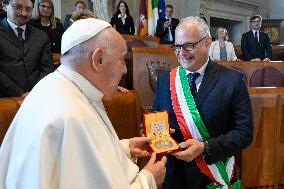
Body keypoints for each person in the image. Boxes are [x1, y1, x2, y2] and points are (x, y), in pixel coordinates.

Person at [0, 18, 167, 189]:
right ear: (98, 60)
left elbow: (77, 160)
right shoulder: (71, 114)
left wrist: (123, 148)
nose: (125, 69)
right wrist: (150, 179)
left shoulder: (56, 85)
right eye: (122, 59)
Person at [152, 16, 253, 189]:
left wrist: (205, 147)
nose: (181, 53)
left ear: (207, 42)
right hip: (175, 177)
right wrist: (157, 131)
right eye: (177, 46)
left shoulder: (232, 80)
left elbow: (244, 133)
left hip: (214, 176)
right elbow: (155, 121)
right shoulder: (165, 81)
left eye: (188, 46)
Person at [0, 0, 54, 98]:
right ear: (5, 6)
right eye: (17, 7)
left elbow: (47, 68)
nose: (24, 13)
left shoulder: (41, 36)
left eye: (28, 9)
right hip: (6, 100)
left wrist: (36, 92)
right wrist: (19, 93)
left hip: (38, 97)